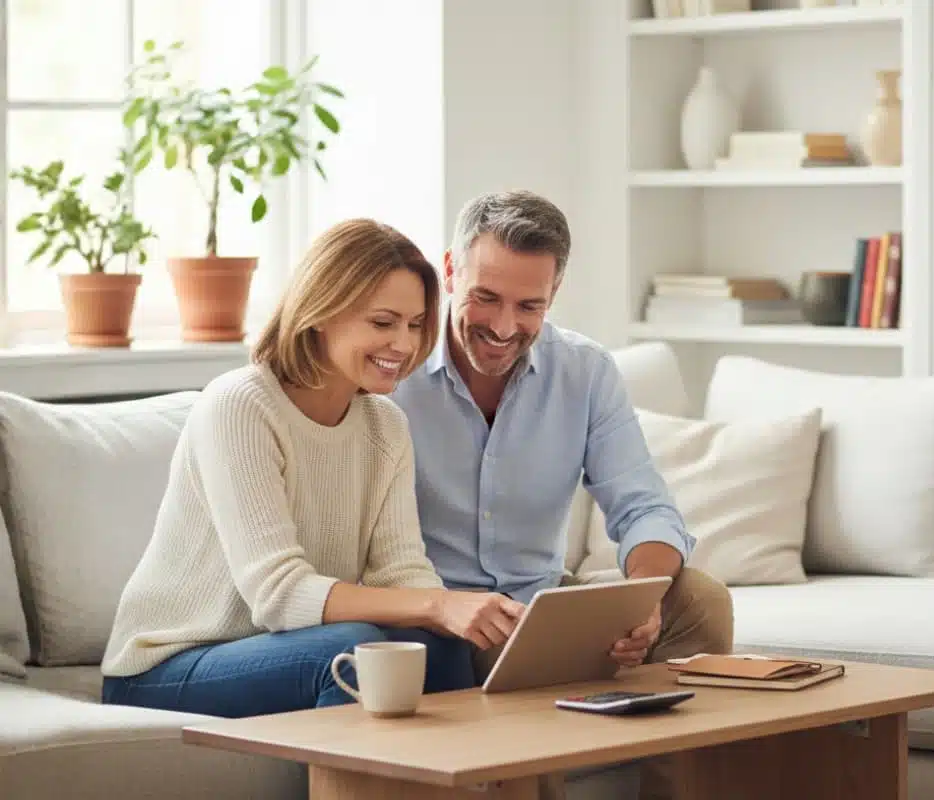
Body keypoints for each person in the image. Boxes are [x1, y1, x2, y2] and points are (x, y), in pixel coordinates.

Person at [101, 218, 524, 718]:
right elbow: (278, 595)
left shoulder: (385, 425)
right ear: (321, 312)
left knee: (440, 644)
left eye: (414, 325)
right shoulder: (241, 406)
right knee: (351, 650)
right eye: (383, 322)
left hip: (285, 649)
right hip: (167, 668)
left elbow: (400, 570)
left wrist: (467, 615)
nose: (405, 345)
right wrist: (437, 605)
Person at [389, 190, 735, 799]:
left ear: (555, 295)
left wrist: (643, 600)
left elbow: (643, 506)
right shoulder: (393, 370)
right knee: (523, 673)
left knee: (700, 601)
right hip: (439, 623)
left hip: (540, 610)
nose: (502, 327)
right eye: (485, 298)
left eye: (529, 306)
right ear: (449, 271)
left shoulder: (585, 371)